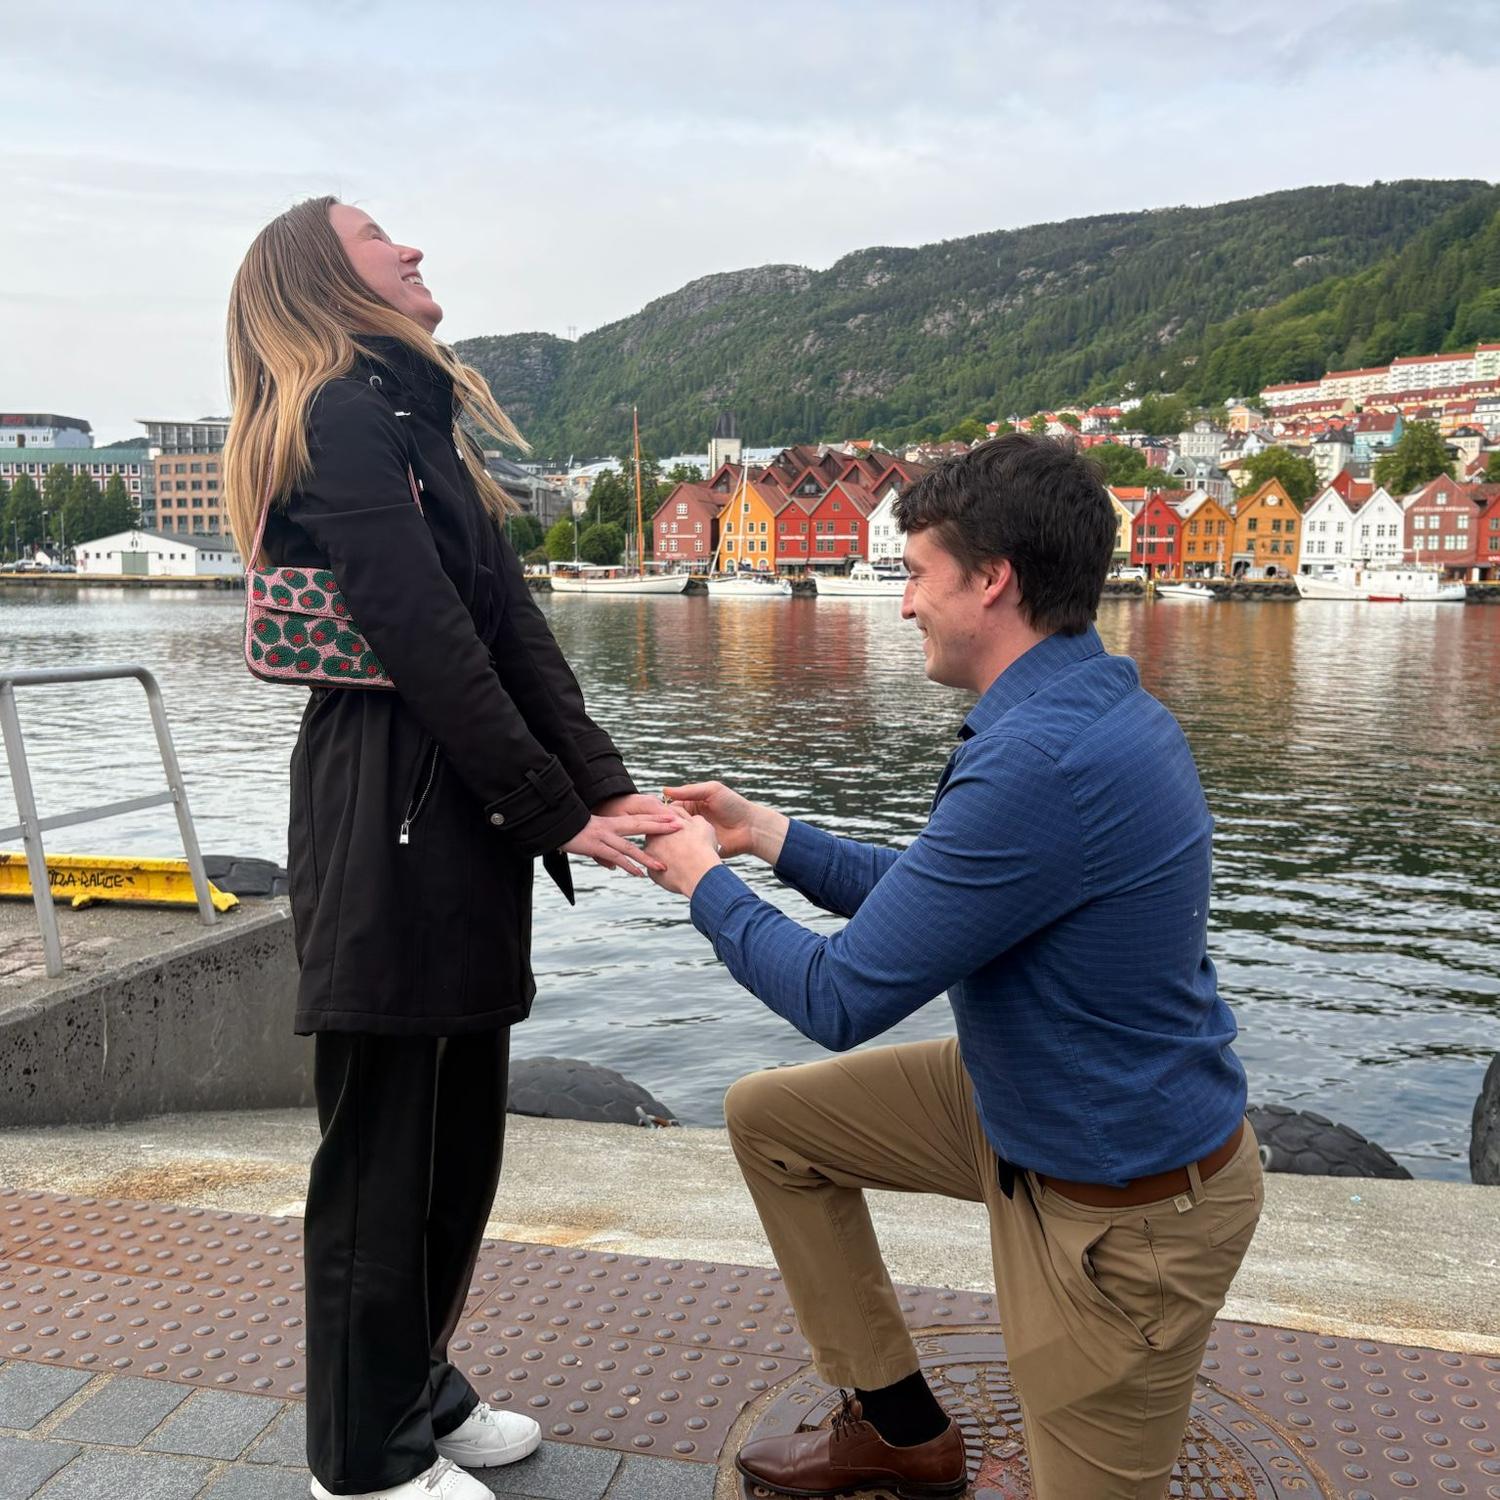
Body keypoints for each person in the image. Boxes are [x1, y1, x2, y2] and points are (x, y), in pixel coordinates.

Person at [647, 434, 1263, 1500]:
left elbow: (839, 997)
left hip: (1120, 1215)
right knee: (775, 1124)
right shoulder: (1087, 706)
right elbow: (945, 898)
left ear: (993, 581)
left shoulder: (1043, 761)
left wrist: (704, 880)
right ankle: (895, 1429)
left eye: (919, 575)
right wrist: (766, 834)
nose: (903, 604)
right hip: (1032, 1106)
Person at [223, 197, 683, 1500]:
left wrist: (604, 793)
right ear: (327, 277)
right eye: (381, 237)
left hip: (453, 809)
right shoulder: (343, 421)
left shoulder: (416, 422)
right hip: (388, 808)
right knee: (381, 1156)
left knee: (458, 1138)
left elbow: (514, 636)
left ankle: (415, 1384)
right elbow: (424, 637)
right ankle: (361, 1463)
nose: (415, 249)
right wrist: (553, 810)